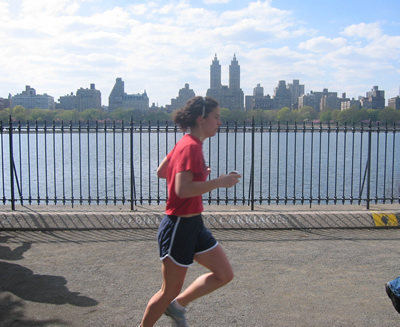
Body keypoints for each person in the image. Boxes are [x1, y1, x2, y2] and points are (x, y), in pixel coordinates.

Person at [139, 96, 241, 327]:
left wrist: (198, 172)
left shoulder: (186, 143)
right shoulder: (191, 146)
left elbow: (162, 171)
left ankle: (177, 306)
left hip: (195, 226)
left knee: (224, 275)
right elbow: (182, 190)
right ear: (201, 119)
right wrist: (218, 181)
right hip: (178, 227)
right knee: (168, 290)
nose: (220, 122)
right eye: (216, 117)